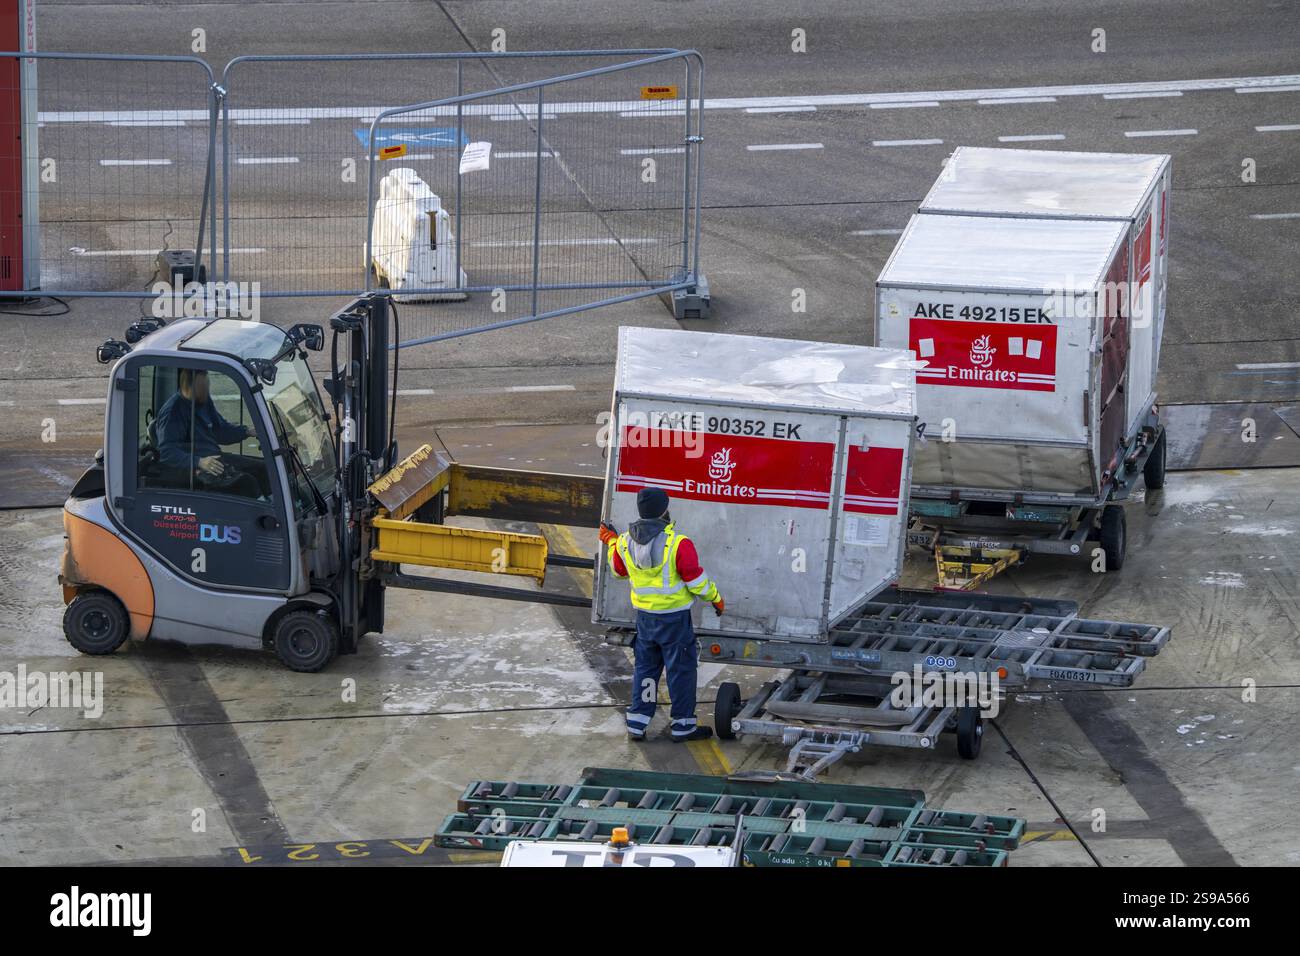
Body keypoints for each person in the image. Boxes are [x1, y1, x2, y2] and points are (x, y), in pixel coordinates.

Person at [600, 488, 724, 742]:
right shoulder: (678, 543)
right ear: (665, 510)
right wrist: (715, 598)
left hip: (645, 618)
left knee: (646, 668)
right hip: (675, 620)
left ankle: (637, 722)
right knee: (681, 670)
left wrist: (612, 541)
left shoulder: (624, 541)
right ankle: (682, 725)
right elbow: (695, 580)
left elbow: (619, 571)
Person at [154, 368, 259, 495]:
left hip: (215, 459)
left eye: (207, 384)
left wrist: (247, 431)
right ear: (189, 385)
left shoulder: (202, 400)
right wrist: (199, 462)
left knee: (265, 469)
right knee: (247, 483)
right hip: (195, 469)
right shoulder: (173, 412)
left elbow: (220, 431)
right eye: (203, 386)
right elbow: (167, 452)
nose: (207, 389)